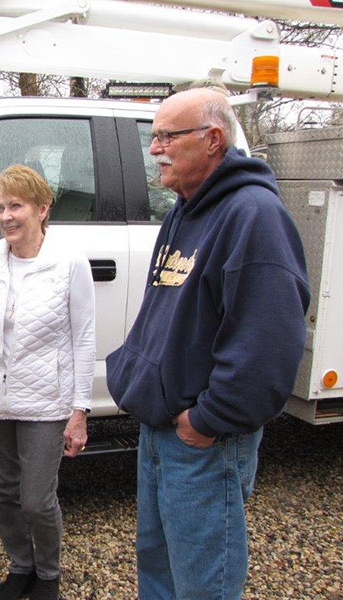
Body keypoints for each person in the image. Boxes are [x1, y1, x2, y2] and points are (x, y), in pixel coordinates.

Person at [106, 88, 310, 599]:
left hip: (204, 441)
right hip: (162, 431)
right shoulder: (185, 209)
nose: (155, 149)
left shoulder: (254, 216)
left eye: (166, 137)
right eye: (154, 137)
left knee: (203, 586)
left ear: (213, 139)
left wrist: (207, 421)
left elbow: (268, 344)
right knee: (158, 575)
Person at [0, 164, 96, 600]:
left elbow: (83, 337)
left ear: (42, 209)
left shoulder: (69, 262)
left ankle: (48, 574)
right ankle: (21, 566)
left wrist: (79, 411)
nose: (6, 216)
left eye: (16, 206)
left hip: (45, 402)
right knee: (5, 491)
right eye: (0, 207)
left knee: (37, 498)